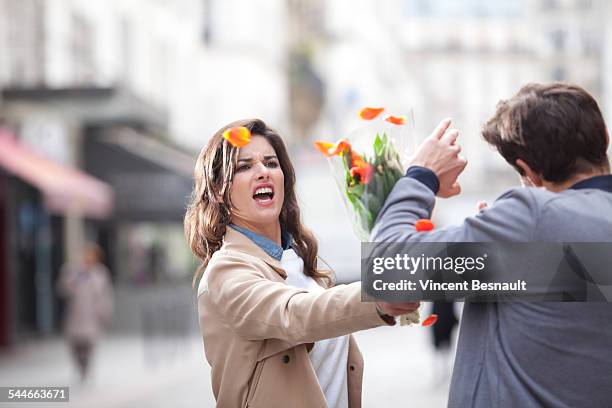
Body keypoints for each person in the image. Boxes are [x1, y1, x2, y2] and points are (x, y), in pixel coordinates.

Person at [371, 82, 612, 407]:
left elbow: (390, 271)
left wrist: (420, 175)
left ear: (529, 173)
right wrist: (503, 248)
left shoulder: (533, 219)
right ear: (603, 140)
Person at [184, 119, 419, 408]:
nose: (262, 172)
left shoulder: (298, 259)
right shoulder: (226, 271)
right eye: (244, 167)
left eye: (271, 163)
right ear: (220, 189)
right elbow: (294, 314)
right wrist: (379, 296)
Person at [57, 243, 114, 383]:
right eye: (86, 254)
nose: (88, 258)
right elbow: (62, 290)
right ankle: (79, 365)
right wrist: (75, 279)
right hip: (75, 314)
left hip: (93, 315)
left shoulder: (101, 273)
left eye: (92, 255)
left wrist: (105, 312)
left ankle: (86, 368)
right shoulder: (72, 270)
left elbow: (106, 294)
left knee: (89, 344)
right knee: (75, 344)